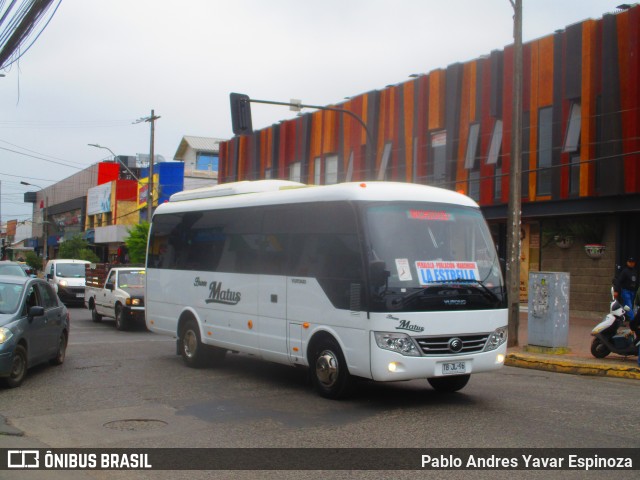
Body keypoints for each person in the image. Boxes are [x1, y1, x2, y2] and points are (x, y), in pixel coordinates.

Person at [613, 256, 638, 322]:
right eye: (630, 262)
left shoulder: (635, 271)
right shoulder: (624, 271)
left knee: (627, 306)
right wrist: (616, 290)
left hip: (633, 291)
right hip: (626, 291)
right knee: (628, 306)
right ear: (627, 262)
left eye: (633, 262)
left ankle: (622, 319)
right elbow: (619, 281)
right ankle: (633, 321)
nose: (631, 263)